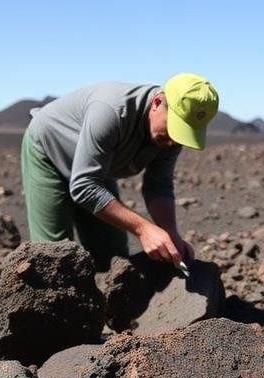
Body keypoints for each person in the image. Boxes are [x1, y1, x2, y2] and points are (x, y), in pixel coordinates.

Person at [21, 74, 219, 271]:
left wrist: (171, 234)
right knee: (53, 258)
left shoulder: (173, 138)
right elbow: (84, 186)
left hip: (95, 169)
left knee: (112, 257)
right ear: (157, 102)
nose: (172, 142)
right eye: (172, 129)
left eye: (181, 133)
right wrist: (144, 229)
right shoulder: (111, 111)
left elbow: (158, 185)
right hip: (48, 150)